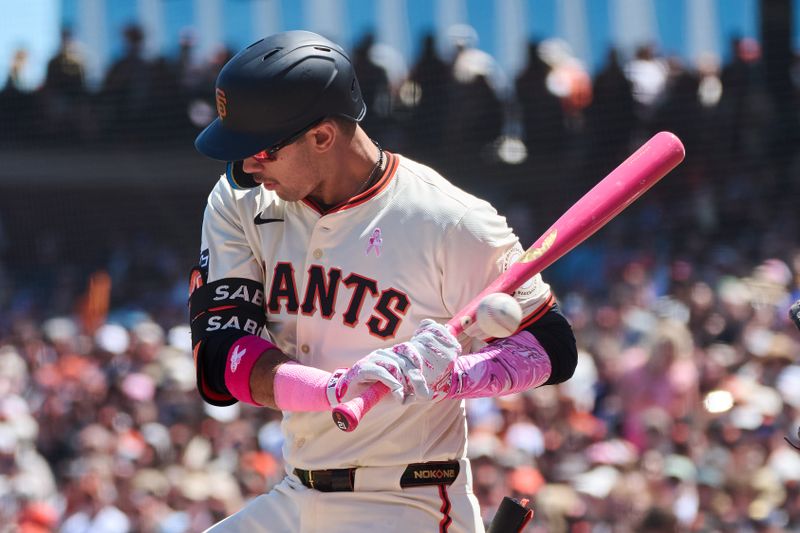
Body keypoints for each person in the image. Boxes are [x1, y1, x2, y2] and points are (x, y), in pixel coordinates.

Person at [189, 30, 577, 533]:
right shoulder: (240, 201)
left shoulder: (451, 220)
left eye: (261, 151)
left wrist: (454, 376)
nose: (245, 166)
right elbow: (221, 358)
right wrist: (332, 389)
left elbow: (553, 347)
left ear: (322, 136)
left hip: (409, 502)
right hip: (297, 492)